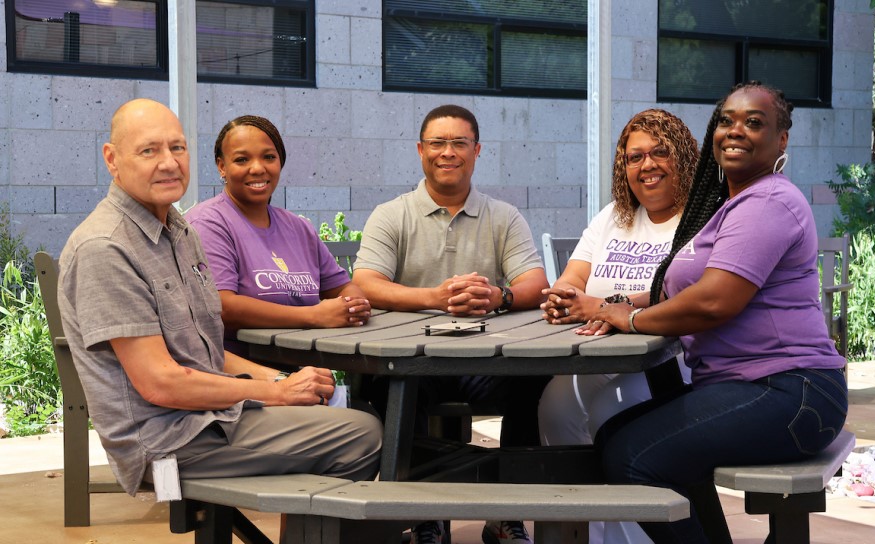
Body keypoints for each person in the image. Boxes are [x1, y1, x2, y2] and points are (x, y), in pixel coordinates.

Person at [57, 99, 382, 506]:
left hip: (213, 415)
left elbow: (204, 349)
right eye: (148, 150)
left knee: (351, 412)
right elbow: (161, 383)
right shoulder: (106, 247)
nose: (168, 162)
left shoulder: (177, 230)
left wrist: (277, 381)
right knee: (362, 436)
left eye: (177, 148)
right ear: (112, 158)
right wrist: (278, 394)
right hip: (169, 440)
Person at [578, 83, 849, 542]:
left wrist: (630, 320)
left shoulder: (768, 202)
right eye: (726, 120)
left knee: (632, 456)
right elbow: (691, 284)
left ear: (781, 139)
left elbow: (713, 301)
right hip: (755, 387)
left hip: (792, 392)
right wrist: (622, 304)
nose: (735, 130)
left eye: (754, 122)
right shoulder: (734, 204)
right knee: (613, 436)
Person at [352, 104, 549, 544]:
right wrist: (433, 298)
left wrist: (501, 296)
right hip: (414, 363)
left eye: (459, 143)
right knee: (395, 386)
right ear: (421, 151)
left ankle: (507, 511)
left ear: (477, 151)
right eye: (438, 143)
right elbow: (364, 283)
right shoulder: (393, 214)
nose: (448, 153)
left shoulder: (503, 216)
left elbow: (536, 282)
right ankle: (427, 516)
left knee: (535, 377)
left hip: (486, 364)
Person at [537, 109, 697, 544]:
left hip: (673, 361)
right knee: (555, 407)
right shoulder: (614, 216)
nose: (646, 166)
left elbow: (685, 295)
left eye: (659, 153)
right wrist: (565, 296)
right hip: (601, 357)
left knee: (615, 416)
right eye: (634, 157)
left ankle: (630, 539)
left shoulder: (701, 218)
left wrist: (608, 305)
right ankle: (577, 534)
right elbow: (574, 276)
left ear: (682, 156)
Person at [185, 115, 371, 355]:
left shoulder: (299, 228)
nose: (258, 168)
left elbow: (342, 287)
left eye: (269, 157)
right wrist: (313, 315)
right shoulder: (209, 223)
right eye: (242, 159)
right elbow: (222, 305)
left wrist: (353, 305)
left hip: (309, 367)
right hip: (238, 374)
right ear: (222, 166)